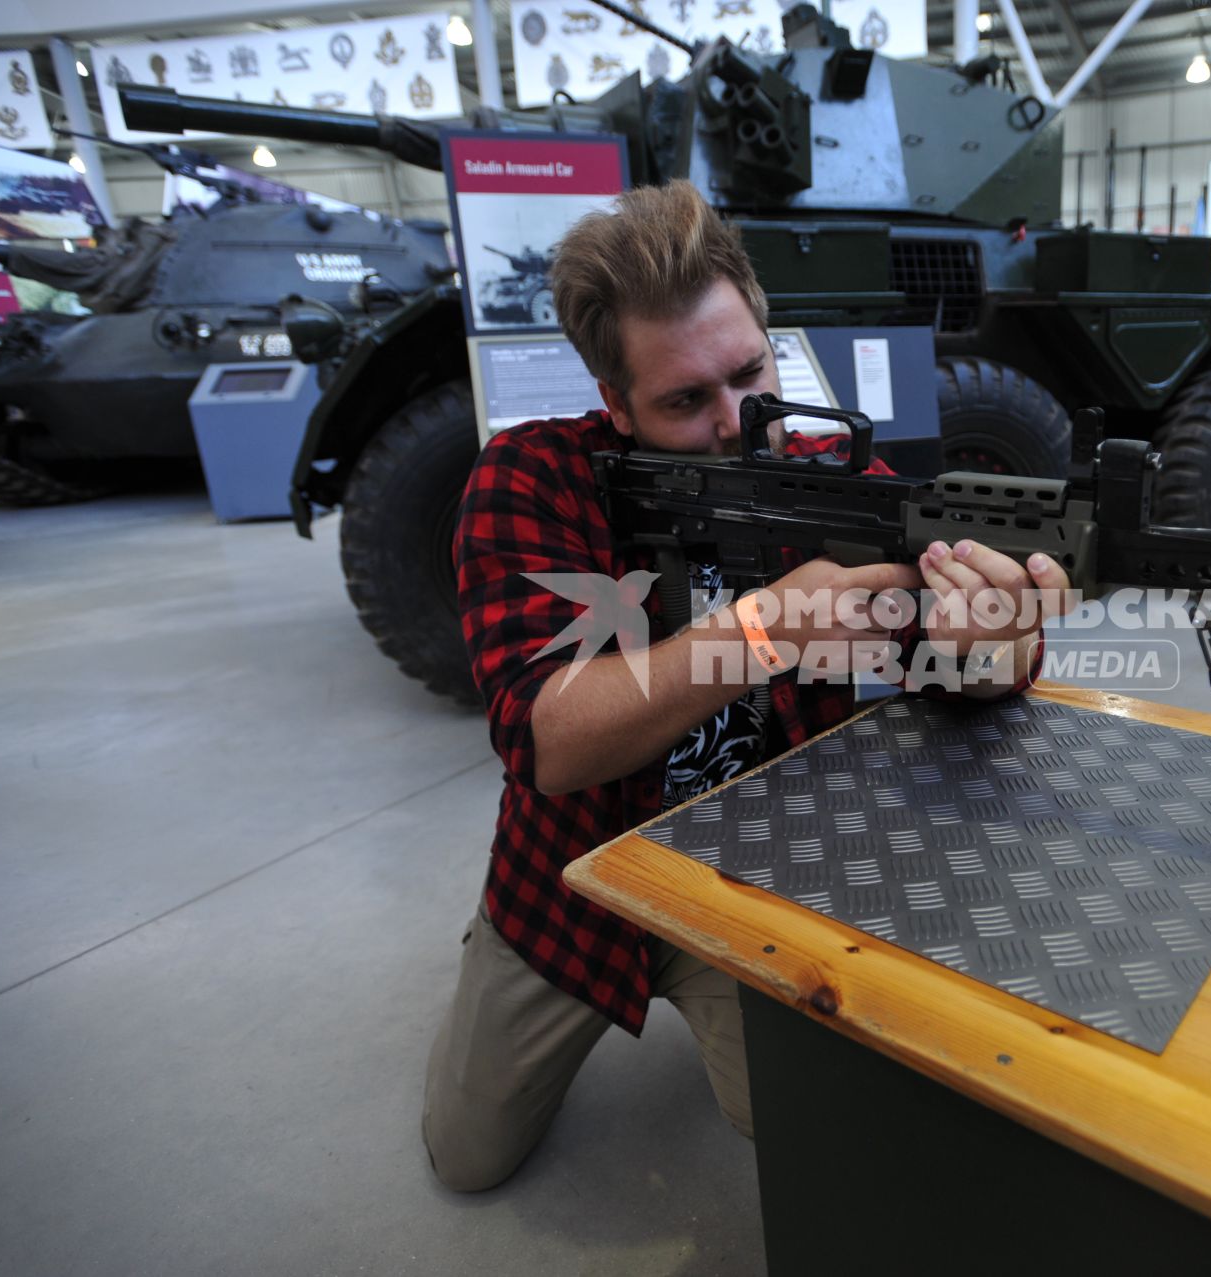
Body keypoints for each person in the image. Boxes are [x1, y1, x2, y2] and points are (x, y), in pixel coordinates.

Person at [422, 180, 1071, 1191]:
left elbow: (961, 676)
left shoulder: (838, 482)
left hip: (761, 880)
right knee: (466, 1157)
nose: (738, 423)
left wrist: (989, 636)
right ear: (614, 401)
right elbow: (548, 740)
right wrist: (760, 630)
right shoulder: (535, 480)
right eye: (686, 400)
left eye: (749, 373)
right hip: (570, 886)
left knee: (827, 1136)